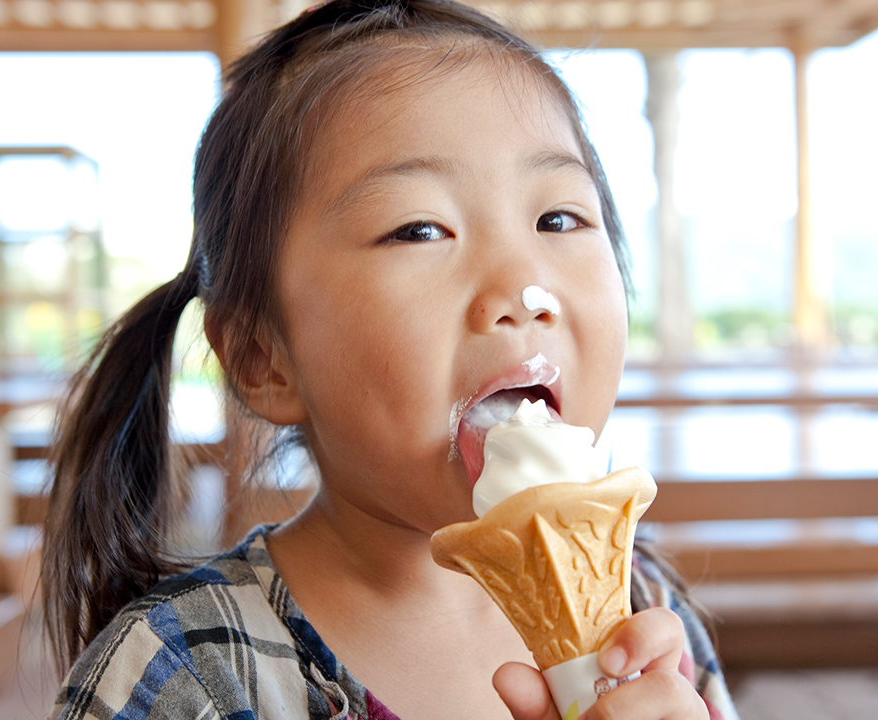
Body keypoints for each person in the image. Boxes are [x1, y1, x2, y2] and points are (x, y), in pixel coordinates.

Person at [42, 1, 740, 718]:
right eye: (419, 229)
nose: (521, 291)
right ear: (264, 359)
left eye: (559, 218)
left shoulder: (643, 612)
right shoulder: (185, 672)